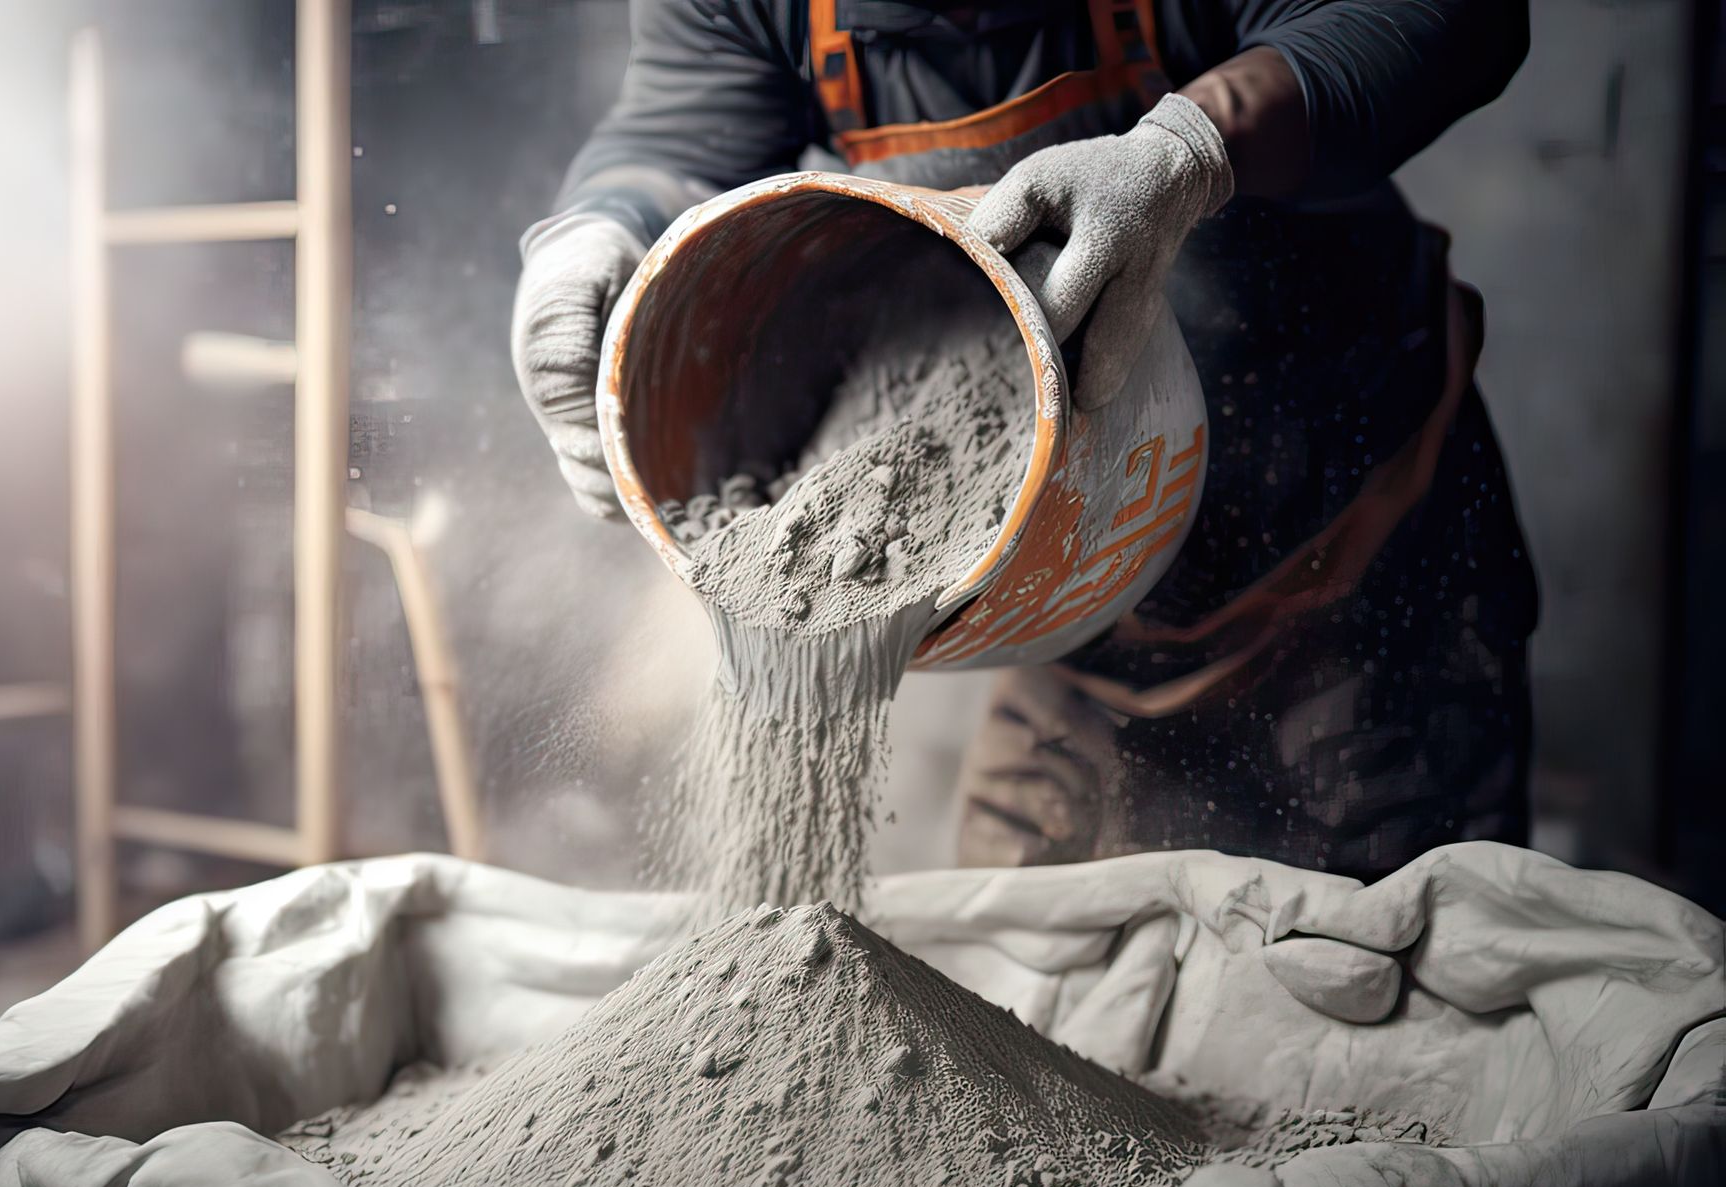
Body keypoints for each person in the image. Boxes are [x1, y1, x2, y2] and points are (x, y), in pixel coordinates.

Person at [512, 0, 1539, 882]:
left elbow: (1453, 17)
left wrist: (1192, 148)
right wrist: (597, 228)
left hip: (1348, 561)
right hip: (1071, 595)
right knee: (1038, 998)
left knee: (1384, 963)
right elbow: (681, 134)